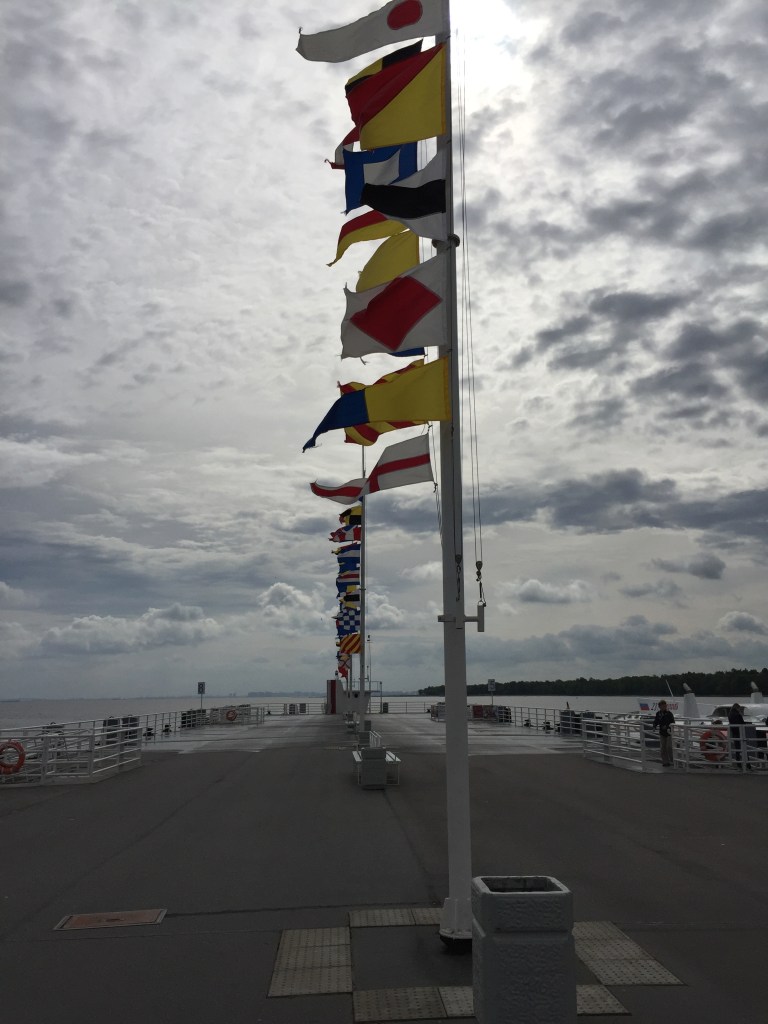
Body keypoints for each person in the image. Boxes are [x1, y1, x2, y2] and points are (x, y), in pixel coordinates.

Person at [652, 700, 675, 766]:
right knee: (663, 748)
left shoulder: (669, 713)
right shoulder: (658, 714)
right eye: (662, 706)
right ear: (659, 706)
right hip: (662, 732)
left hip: (669, 733)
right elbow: (656, 721)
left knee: (669, 747)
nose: (664, 707)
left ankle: (672, 760)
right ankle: (665, 762)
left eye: (665, 705)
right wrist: (654, 726)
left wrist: (667, 726)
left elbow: (673, 722)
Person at [728, 703, 748, 769]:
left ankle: (738, 763)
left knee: (737, 749)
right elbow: (742, 723)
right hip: (740, 733)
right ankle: (747, 765)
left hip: (734, 733)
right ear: (737, 708)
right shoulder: (738, 715)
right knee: (744, 749)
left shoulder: (730, 714)